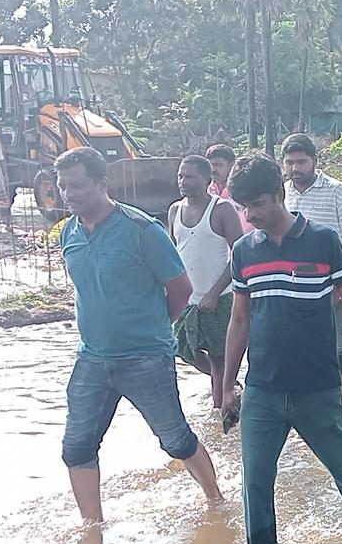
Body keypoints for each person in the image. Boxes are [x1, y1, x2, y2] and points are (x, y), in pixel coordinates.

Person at [221, 153, 342, 544]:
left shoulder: (322, 240)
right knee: (255, 480)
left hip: (318, 387)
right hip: (262, 391)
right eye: (243, 207)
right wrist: (227, 386)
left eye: (257, 204)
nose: (251, 214)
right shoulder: (244, 251)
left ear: (279, 195)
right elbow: (239, 321)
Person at [55, 146, 222, 523]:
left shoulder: (141, 229)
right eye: (64, 187)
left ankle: (215, 501)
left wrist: (153, 330)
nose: (70, 195)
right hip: (92, 359)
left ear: (102, 182)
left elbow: (181, 287)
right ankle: (92, 529)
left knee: (176, 440)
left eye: (78, 186)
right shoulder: (69, 233)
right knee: (76, 447)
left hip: (146, 357)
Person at [282, 133, 342, 394]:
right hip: (291, 288)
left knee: (338, 345)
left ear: (315, 161)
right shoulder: (281, 193)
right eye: (290, 162)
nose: (295, 168)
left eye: (301, 162)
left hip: (331, 286)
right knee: (295, 345)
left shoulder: (336, 191)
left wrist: (340, 287)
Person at [167, 155, 243, 409]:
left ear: (207, 180)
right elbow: (173, 255)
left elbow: (241, 256)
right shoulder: (175, 210)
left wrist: (215, 292)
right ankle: (229, 386)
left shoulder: (222, 209)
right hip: (187, 300)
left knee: (220, 359)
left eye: (190, 177)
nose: (183, 182)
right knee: (183, 350)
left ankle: (222, 415)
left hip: (219, 299)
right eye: (180, 176)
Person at [206, 143, 252, 233]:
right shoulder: (206, 191)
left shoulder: (242, 189)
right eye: (211, 165)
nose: (213, 170)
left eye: (218, 165)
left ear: (231, 165)